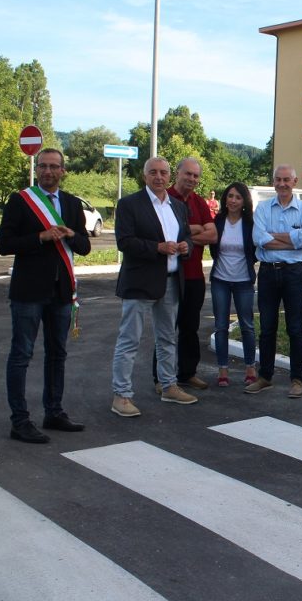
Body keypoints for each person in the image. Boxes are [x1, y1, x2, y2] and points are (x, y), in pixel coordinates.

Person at [0, 147, 91, 444]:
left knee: (57, 354)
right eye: (44, 166)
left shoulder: (72, 203)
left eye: (55, 167)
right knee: (22, 355)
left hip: (61, 291)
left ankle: (54, 412)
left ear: (63, 171)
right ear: (37, 170)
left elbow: (85, 247)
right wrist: (40, 237)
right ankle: (20, 420)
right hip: (29, 291)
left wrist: (71, 236)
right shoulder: (20, 200)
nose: (49, 171)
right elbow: (5, 244)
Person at [110, 157, 196, 417]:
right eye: (153, 173)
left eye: (163, 173)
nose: (159, 177)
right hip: (139, 283)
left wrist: (185, 248)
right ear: (144, 175)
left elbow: (188, 238)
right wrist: (157, 248)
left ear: (170, 176)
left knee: (167, 338)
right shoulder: (129, 204)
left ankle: (169, 386)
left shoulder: (178, 207)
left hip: (170, 282)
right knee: (130, 340)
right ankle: (121, 395)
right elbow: (124, 241)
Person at [247, 165, 302, 398]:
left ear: (294, 182)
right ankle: (265, 376)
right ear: (273, 182)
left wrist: (273, 237)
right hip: (267, 273)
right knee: (267, 328)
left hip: (294, 273)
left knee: (295, 328)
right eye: (278, 179)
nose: (282, 183)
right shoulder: (264, 207)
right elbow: (258, 238)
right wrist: (292, 240)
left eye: (287, 179)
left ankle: (297, 379)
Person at [158, 157, 217, 391]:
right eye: (188, 174)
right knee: (166, 329)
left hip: (194, 276)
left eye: (196, 176)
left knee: (190, 327)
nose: (192, 179)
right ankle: (160, 378)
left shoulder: (200, 203)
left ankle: (187, 373)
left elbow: (212, 235)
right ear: (177, 173)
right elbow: (161, 235)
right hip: (170, 275)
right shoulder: (165, 198)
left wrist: (182, 235)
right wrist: (193, 230)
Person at [209, 182, 258, 387]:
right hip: (220, 280)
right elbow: (213, 248)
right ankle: (223, 371)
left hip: (243, 281)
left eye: (238, 197)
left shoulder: (250, 223)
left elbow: (254, 251)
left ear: (244, 201)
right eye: (230, 196)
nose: (233, 200)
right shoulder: (218, 221)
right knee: (221, 327)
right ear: (225, 199)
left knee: (247, 325)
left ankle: (250, 368)